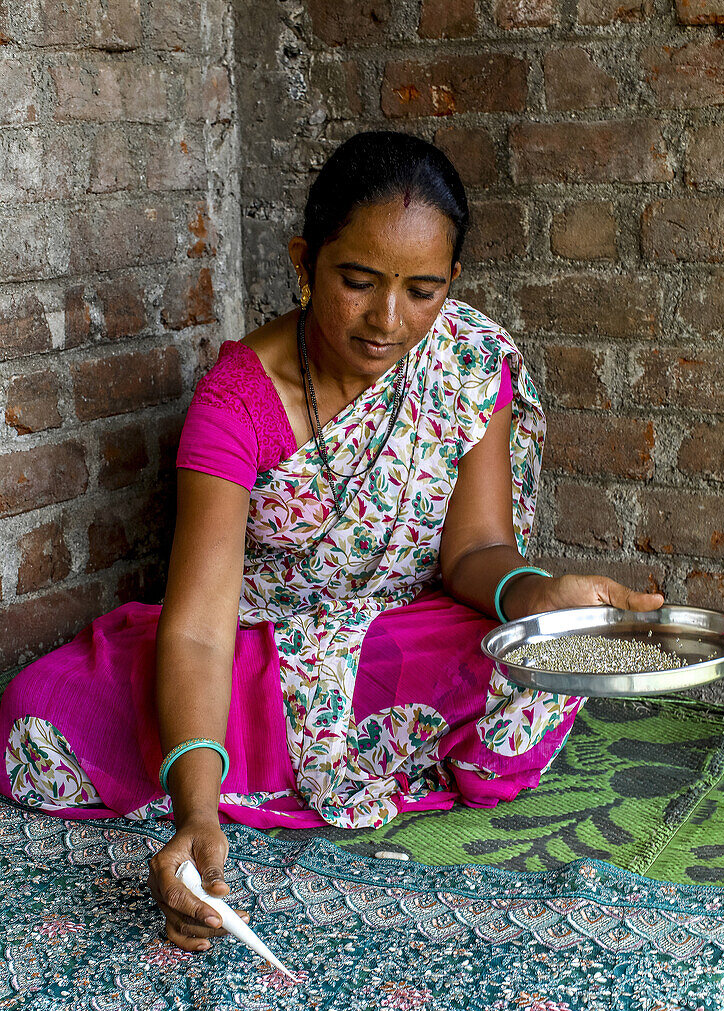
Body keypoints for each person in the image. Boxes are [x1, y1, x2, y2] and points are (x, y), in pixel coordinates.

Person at [0, 131, 664, 951]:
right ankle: (241, 766)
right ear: (304, 262)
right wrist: (196, 818)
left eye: (422, 291)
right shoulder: (236, 402)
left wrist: (538, 596)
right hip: (262, 643)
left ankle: (279, 750)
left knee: (530, 665)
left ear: (451, 282)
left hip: (399, 633)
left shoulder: (466, 361)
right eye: (357, 282)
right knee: (40, 718)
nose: (388, 321)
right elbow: (202, 625)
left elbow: (474, 557)